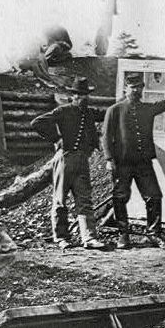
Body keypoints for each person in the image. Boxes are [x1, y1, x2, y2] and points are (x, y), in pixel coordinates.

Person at [102, 70, 165, 250]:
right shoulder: (114, 110)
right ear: (126, 89)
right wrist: (109, 159)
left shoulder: (147, 109)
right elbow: (105, 137)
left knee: (154, 196)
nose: (136, 90)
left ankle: (154, 234)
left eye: (139, 87)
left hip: (143, 163)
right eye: (132, 87)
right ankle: (123, 235)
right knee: (120, 197)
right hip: (122, 163)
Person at [31, 77, 108, 250]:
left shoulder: (90, 113)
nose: (82, 98)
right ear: (72, 96)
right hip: (64, 159)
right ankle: (61, 238)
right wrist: (56, 138)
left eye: (85, 95)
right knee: (60, 200)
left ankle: (89, 238)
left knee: (85, 199)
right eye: (79, 95)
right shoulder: (63, 111)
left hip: (82, 161)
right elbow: (37, 123)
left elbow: (107, 113)